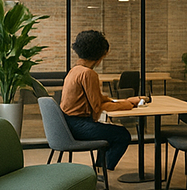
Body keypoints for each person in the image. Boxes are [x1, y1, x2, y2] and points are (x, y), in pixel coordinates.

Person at [60, 30, 143, 173]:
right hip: (79, 125)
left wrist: (123, 101)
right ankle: (104, 168)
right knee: (122, 135)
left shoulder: (75, 71)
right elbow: (98, 106)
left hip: (67, 124)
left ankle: (101, 167)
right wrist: (128, 104)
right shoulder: (88, 74)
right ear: (101, 54)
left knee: (109, 131)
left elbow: (97, 98)